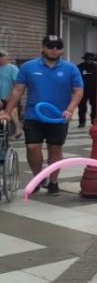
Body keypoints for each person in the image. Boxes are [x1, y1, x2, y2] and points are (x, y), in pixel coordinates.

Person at [0, 36, 83, 196]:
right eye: (50, 46)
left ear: (62, 50)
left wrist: (70, 110)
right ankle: (38, 178)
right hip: (34, 115)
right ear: (42, 48)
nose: (54, 49)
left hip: (58, 116)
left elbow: (78, 91)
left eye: (58, 46)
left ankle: (53, 181)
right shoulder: (28, 67)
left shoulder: (70, 68)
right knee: (32, 147)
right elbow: (17, 90)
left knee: (55, 148)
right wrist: (7, 112)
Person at [0, 49, 21, 138]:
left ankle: (17, 130)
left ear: (6, 57)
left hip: (10, 96)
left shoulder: (12, 69)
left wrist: (10, 96)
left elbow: (17, 85)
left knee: (12, 114)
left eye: (1, 56)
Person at [77, 52, 97, 128]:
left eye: (90, 59)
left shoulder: (96, 67)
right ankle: (82, 121)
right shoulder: (80, 67)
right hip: (82, 89)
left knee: (95, 107)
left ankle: (94, 120)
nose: (89, 61)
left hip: (94, 90)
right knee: (82, 107)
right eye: (87, 59)